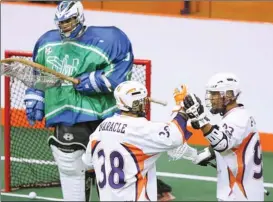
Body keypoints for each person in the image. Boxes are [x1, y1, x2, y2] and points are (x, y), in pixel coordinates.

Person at [23, 1, 134, 201]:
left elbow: (121, 68)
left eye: (69, 20)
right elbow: (39, 76)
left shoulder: (109, 39)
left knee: (108, 167)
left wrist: (97, 80)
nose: (65, 25)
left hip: (104, 117)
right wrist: (36, 94)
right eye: (62, 21)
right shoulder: (47, 43)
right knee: (69, 166)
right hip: (66, 116)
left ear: (80, 17)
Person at [82, 80, 198, 201]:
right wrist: (182, 108)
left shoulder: (101, 127)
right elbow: (175, 135)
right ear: (139, 103)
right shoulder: (140, 128)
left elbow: (88, 164)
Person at [182, 72, 265, 201]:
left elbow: (222, 143)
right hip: (245, 192)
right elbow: (234, 144)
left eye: (215, 94)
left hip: (238, 194)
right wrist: (210, 152)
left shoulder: (237, 119)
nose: (211, 98)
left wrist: (200, 118)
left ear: (229, 95)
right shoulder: (240, 116)